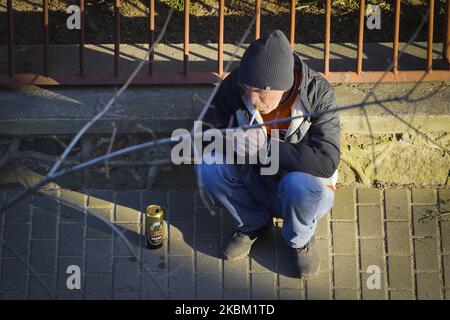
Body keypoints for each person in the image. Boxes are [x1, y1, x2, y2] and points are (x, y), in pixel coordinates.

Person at [194, 30, 340, 279]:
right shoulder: (236, 83)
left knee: (300, 184)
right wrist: (230, 141)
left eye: (260, 91)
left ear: (283, 85)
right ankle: (253, 223)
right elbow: (202, 134)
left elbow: (327, 161)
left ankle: (299, 239)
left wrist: (266, 149)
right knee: (208, 165)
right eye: (246, 88)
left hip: (302, 187)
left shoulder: (319, 93)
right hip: (256, 180)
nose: (251, 98)